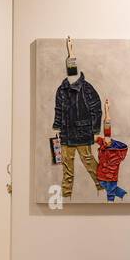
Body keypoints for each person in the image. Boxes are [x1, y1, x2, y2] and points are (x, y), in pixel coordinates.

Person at [53, 47, 103, 199]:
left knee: (88, 161)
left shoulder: (87, 88)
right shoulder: (61, 89)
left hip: (82, 133)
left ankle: (101, 187)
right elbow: (58, 110)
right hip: (66, 134)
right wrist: (56, 127)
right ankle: (67, 196)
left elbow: (96, 108)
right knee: (67, 167)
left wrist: (95, 130)